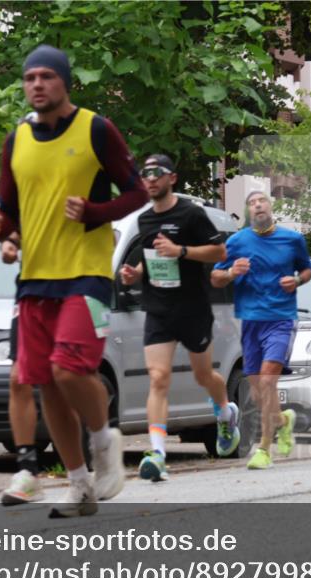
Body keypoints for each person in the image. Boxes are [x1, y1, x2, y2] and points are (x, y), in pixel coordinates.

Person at [0, 44, 148, 517]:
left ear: (65, 82)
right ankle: (78, 485)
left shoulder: (96, 129)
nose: (37, 85)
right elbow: (8, 213)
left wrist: (96, 212)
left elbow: (136, 192)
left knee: (68, 370)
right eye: (29, 77)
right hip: (35, 278)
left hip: (86, 274)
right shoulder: (16, 140)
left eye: (46, 76)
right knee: (46, 385)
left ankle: (104, 440)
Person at [119, 154, 241, 481]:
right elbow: (151, 257)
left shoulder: (191, 214)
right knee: (158, 378)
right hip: (158, 309)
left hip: (193, 308)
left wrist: (181, 251)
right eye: (145, 173)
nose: (150, 178)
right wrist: (135, 273)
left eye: (157, 173)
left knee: (204, 376)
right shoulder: (145, 220)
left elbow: (220, 252)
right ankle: (157, 453)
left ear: (171, 178)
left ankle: (225, 413)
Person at [210, 191, 311, 469]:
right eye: (252, 203)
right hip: (250, 322)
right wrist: (231, 273)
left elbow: (307, 270)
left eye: (262, 201)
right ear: (248, 211)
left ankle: (264, 449)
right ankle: (283, 420)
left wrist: (296, 281)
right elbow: (215, 277)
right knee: (257, 392)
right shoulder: (237, 241)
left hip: (281, 319)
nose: (257, 206)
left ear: (270, 206)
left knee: (267, 382)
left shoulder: (292, 240)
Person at [0, 232, 46, 505]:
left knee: (63, 379)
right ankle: (28, 469)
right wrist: (10, 244)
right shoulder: (22, 205)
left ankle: (95, 449)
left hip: (71, 290)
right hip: (29, 292)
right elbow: (11, 230)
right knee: (18, 378)